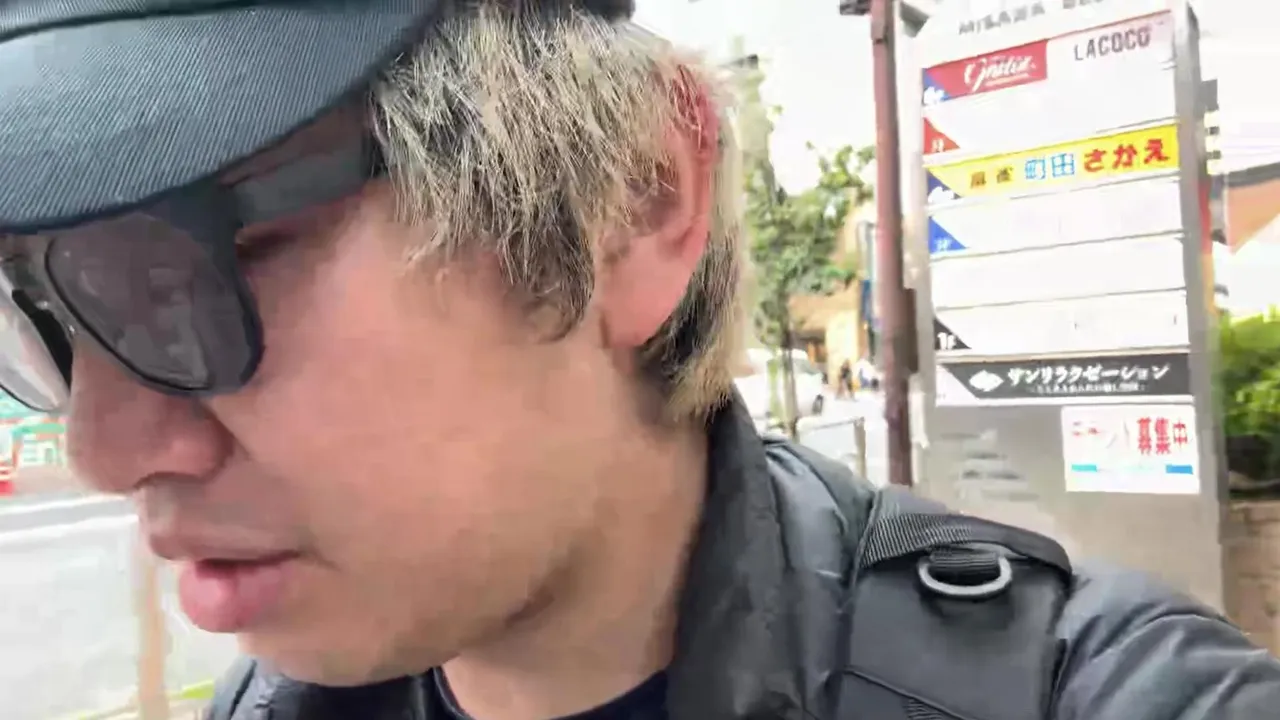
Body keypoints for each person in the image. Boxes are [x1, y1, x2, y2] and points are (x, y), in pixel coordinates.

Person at [0, 2, 1276, 719]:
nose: (105, 448)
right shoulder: (265, 707)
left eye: (189, 267)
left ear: (628, 202)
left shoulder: (1104, 697)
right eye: (44, 313)